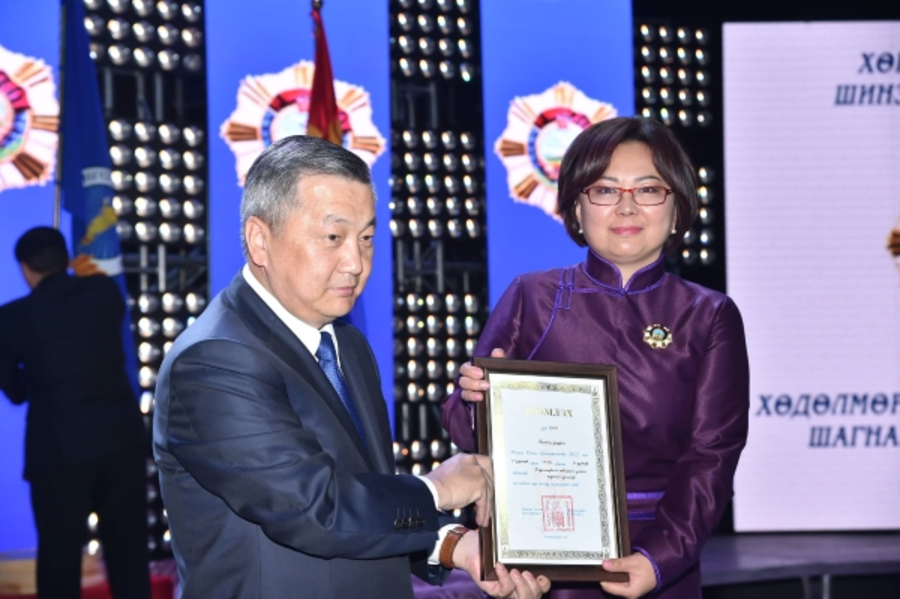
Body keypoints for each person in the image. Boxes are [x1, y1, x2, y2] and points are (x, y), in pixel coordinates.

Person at [153, 136, 551, 599]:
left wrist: (453, 545)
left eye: (366, 238)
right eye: (333, 238)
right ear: (260, 241)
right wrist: (437, 489)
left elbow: (366, 496)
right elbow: (315, 509)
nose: (356, 263)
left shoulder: (347, 344)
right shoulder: (214, 360)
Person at [442, 117, 750, 599]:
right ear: (577, 209)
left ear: (678, 208)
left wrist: (660, 558)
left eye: (648, 189)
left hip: (658, 558)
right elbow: (468, 436)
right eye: (605, 190)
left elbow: (712, 455)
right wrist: (473, 400)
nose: (627, 206)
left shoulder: (709, 315)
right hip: (540, 559)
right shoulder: (532, 297)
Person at [0, 226, 150, 599]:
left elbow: (15, 392)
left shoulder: (12, 318)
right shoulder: (105, 293)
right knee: (129, 555)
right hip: (121, 442)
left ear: (24, 267)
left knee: (59, 558)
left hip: (58, 451)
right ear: (67, 258)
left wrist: (36, 377)